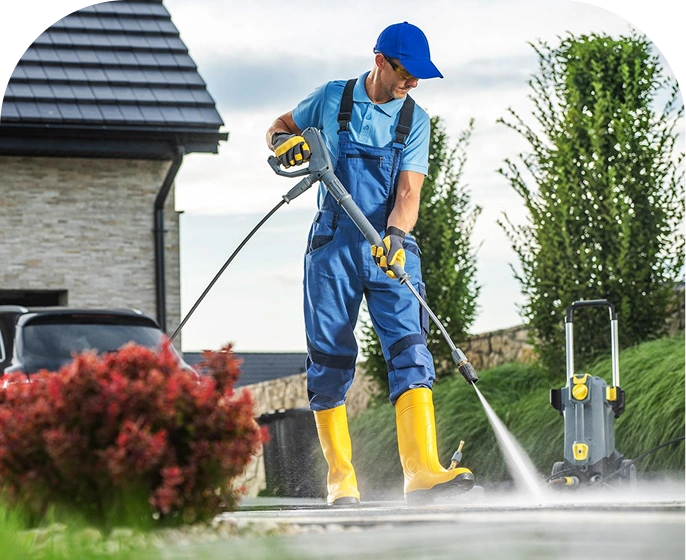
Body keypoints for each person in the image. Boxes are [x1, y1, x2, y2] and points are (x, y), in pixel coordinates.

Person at [266, 21, 474, 506]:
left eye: (419, 76)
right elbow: (279, 128)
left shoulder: (414, 119)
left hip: (391, 251)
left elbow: (408, 192)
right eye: (406, 73)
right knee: (331, 361)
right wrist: (283, 145)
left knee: (411, 352)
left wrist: (396, 237)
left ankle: (422, 473)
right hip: (333, 247)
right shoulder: (331, 99)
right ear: (380, 61)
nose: (413, 84)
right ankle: (341, 480)